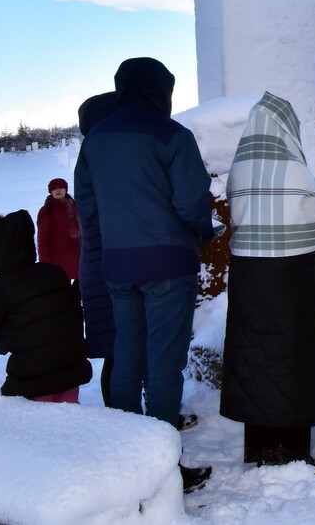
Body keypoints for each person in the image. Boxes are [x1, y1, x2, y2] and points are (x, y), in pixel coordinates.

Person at [74, 57, 216, 493]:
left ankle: (123, 459)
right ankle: (162, 471)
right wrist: (203, 233)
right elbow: (192, 201)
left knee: (127, 355)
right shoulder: (172, 135)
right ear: (161, 91)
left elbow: (86, 202)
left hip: (117, 264)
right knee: (163, 362)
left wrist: (115, 236)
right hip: (168, 264)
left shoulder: (95, 138)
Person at [220, 92, 315, 471]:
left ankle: (259, 446)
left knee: (255, 358)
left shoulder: (239, 166)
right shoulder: (293, 167)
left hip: (249, 275)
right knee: (294, 359)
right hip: (293, 276)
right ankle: (292, 454)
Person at [0, 210, 91, 402]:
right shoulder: (54, 273)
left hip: (34, 380)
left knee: (38, 428)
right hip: (71, 371)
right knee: (66, 420)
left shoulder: (0, 287)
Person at [75, 91, 118, 405]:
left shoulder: (91, 155)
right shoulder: (99, 158)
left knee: (122, 352)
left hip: (101, 266)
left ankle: (125, 419)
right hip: (107, 268)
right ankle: (121, 421)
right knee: (120, 353)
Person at [37, 178, 81, 282]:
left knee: (81, 289)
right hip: (58, 260)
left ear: (65, 189)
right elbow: (43, 240)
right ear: (50, 191)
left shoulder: (75, 206)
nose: (58, 190)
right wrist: (45, 264)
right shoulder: (47, 210)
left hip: (77, 256)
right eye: (54, 188)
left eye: (60, 187)